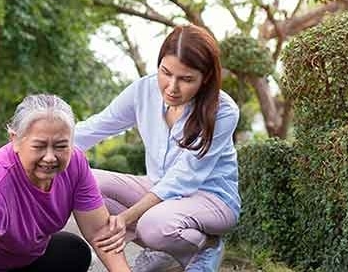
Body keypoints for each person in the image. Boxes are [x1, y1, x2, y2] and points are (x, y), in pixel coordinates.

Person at [74, 25, 240, 272]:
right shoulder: (144, 90)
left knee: (153, 225)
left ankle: (204, 247)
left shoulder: (223, 111)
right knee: (87, 183)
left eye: (186, 79)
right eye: (166, 72)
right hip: (158, 187)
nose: (172, 87)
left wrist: (127, 217)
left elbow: (183, 178)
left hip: (211, 198)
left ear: (205, 78)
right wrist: (30, 149)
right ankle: (166, 252)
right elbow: (96, 127)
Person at [0, 94, 131, 272]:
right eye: (39, 146)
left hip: (19, 254)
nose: (50, 157)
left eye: (61, 146)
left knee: (73, 252)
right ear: (15, 140)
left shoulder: (75, 164)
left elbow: (99, 232)